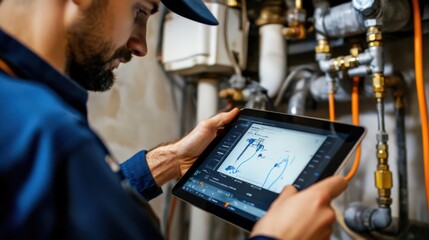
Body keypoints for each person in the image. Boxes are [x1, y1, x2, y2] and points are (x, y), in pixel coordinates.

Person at [0, 0, 347, 239]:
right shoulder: (47, 134)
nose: (141, 46)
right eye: (139, 10)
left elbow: (58, 214)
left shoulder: (23, 116)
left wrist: (171, 160)